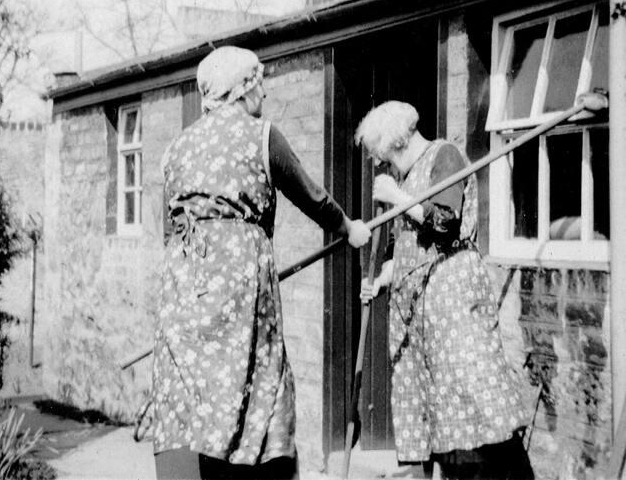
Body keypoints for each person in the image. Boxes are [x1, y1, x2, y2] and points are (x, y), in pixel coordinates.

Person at [152, 46, 370, 480]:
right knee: (255, 374)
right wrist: (348, 228)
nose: (265, 94)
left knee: (196, 380)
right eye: (259, 83)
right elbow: (310, 195)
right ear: (245, 89)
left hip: (184, 279)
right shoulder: (260, 134)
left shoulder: (177, 146)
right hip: (239, 276)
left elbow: (170, 229)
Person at [356, 100, 534, 480]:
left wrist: (397, 199)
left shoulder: (445, 156)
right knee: (429, 407)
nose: (381, 166)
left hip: (451, 305)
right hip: (417, 313)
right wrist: (382, 279)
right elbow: (407, 248)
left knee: (471, 397)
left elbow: (444, 224)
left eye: (382, 156)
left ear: (396, 144)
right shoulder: (403, 179)